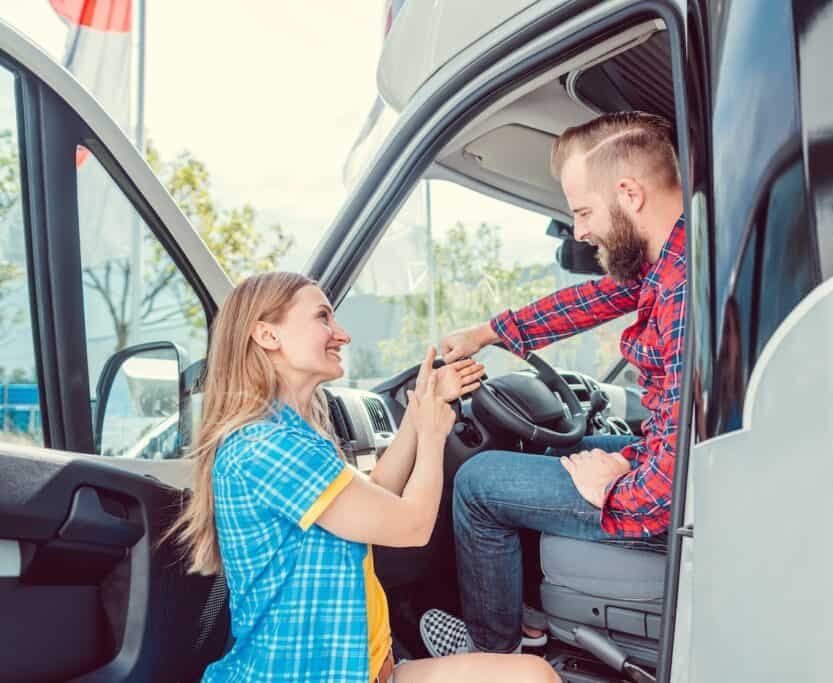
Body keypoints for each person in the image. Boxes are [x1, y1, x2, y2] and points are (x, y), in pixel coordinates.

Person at [164, 272, 559, 682]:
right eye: (323, 317)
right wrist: (430, 435)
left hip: (368, 670)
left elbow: (374, 498)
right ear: (267, 335)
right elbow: (411, 525)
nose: (343, 335)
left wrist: (420, 408)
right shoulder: (267, 446)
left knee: (534, 675)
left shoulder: (293, 435)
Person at [419, 111, 687, 657]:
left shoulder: (682, 294)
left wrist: (609, 488)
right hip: (671, 462)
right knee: (552, 448)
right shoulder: (678, 261)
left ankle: (495, 655)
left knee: (478, 482)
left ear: (630, 194)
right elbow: (589, 302)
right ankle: (533, 621)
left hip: (675, 497)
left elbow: (664, 497)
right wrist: (489, 333)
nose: (581, 231)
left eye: (584, 211)